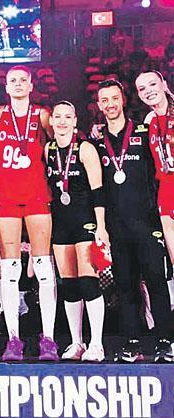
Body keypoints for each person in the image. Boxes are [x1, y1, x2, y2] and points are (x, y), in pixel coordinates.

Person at [92, 79, 173, 363]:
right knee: (125, 286)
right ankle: (132, 343)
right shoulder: (95, 142)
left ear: (123, 100)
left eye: (114, 98)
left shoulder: (144, 130)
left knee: (156, 282)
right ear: (99, 105)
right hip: (116, 226)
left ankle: (166, 341)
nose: (110, 104)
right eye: (104, 100)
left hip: (146, 222)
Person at [0, 66, 57, 361]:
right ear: (6, 87)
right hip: (5, 196)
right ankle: (13, 339)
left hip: (36, 194)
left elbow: (59, 144)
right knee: (10, 269)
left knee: (43, 267)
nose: (18, 84)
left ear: (31, 85)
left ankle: (49, 339)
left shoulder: (42, 115)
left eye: (23, 80)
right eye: (12, 81)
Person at [45, 101, 108, 362]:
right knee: (69, 284)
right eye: (58, 116)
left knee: (88, 281)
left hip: (86, 221)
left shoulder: (85, 148)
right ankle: (76, 342)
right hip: (61, 223)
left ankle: (97, 344)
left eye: (67, 117)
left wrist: (101, 227)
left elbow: (99, 191)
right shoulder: (49, 150)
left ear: (75, 121)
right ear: (51, 121)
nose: (62, 121)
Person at [134, 71, 174, 275]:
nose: (148, 91)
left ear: (164, 85)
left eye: (152, 84)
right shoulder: (149, 121)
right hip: (165, 190)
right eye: (142, 89)